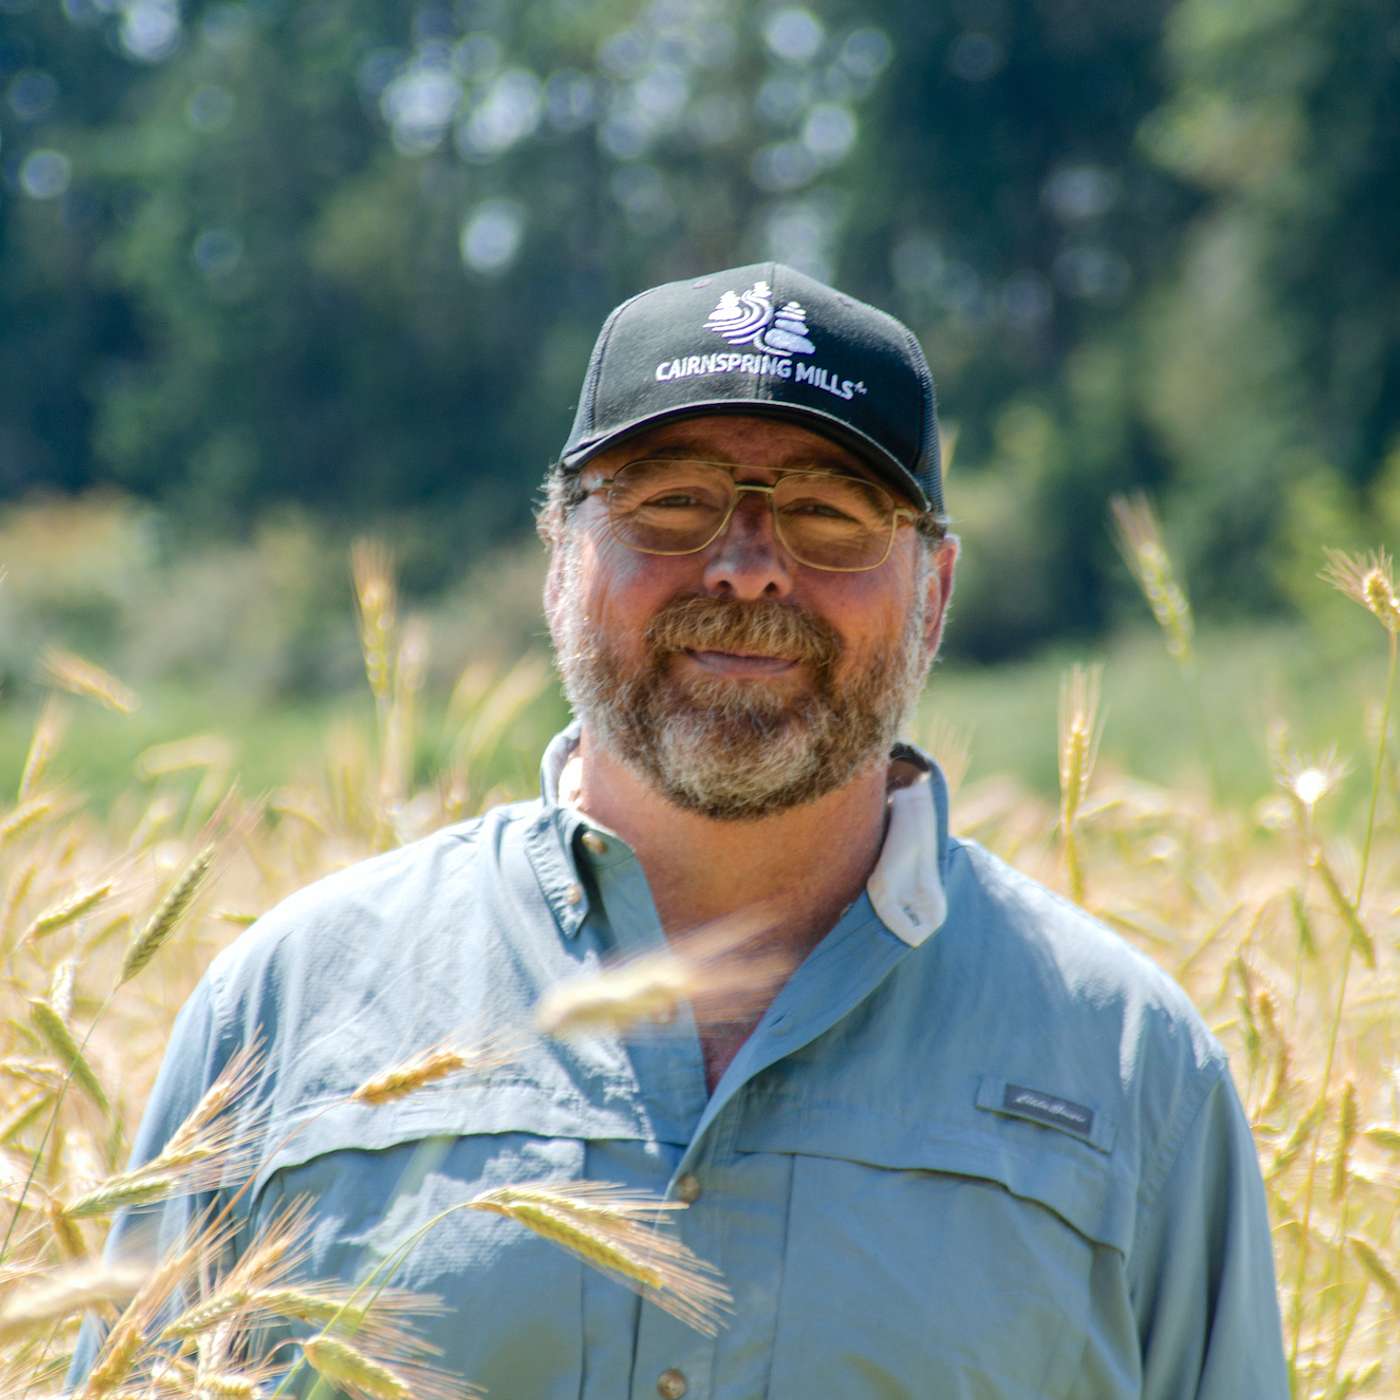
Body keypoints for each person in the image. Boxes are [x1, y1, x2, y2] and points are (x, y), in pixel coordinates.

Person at [73, 262, 1287, 1397]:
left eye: (828, 514)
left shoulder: (1132, 1070)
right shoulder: (286, 1013)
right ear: (559, 556)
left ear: (935, 593)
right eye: (672, 503)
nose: (748, 567)